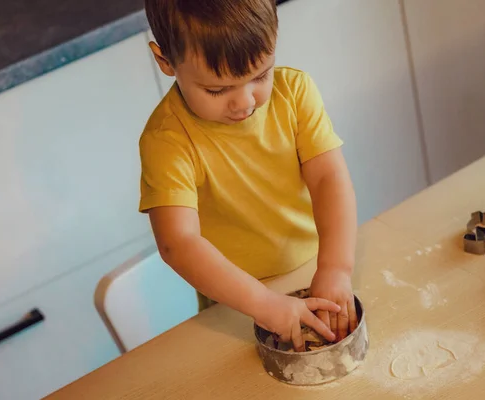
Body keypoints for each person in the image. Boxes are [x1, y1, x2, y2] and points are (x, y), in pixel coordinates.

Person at [139, 0, 358, 352]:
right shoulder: (167, 141)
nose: (244, 103)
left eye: (260, 76)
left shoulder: (295, 93)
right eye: (217, 89)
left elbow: (328, 179)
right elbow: (178, 243)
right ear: (165, 61)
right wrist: (264, 304)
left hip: (316, 266)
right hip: (236, 300)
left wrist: (336, 267)